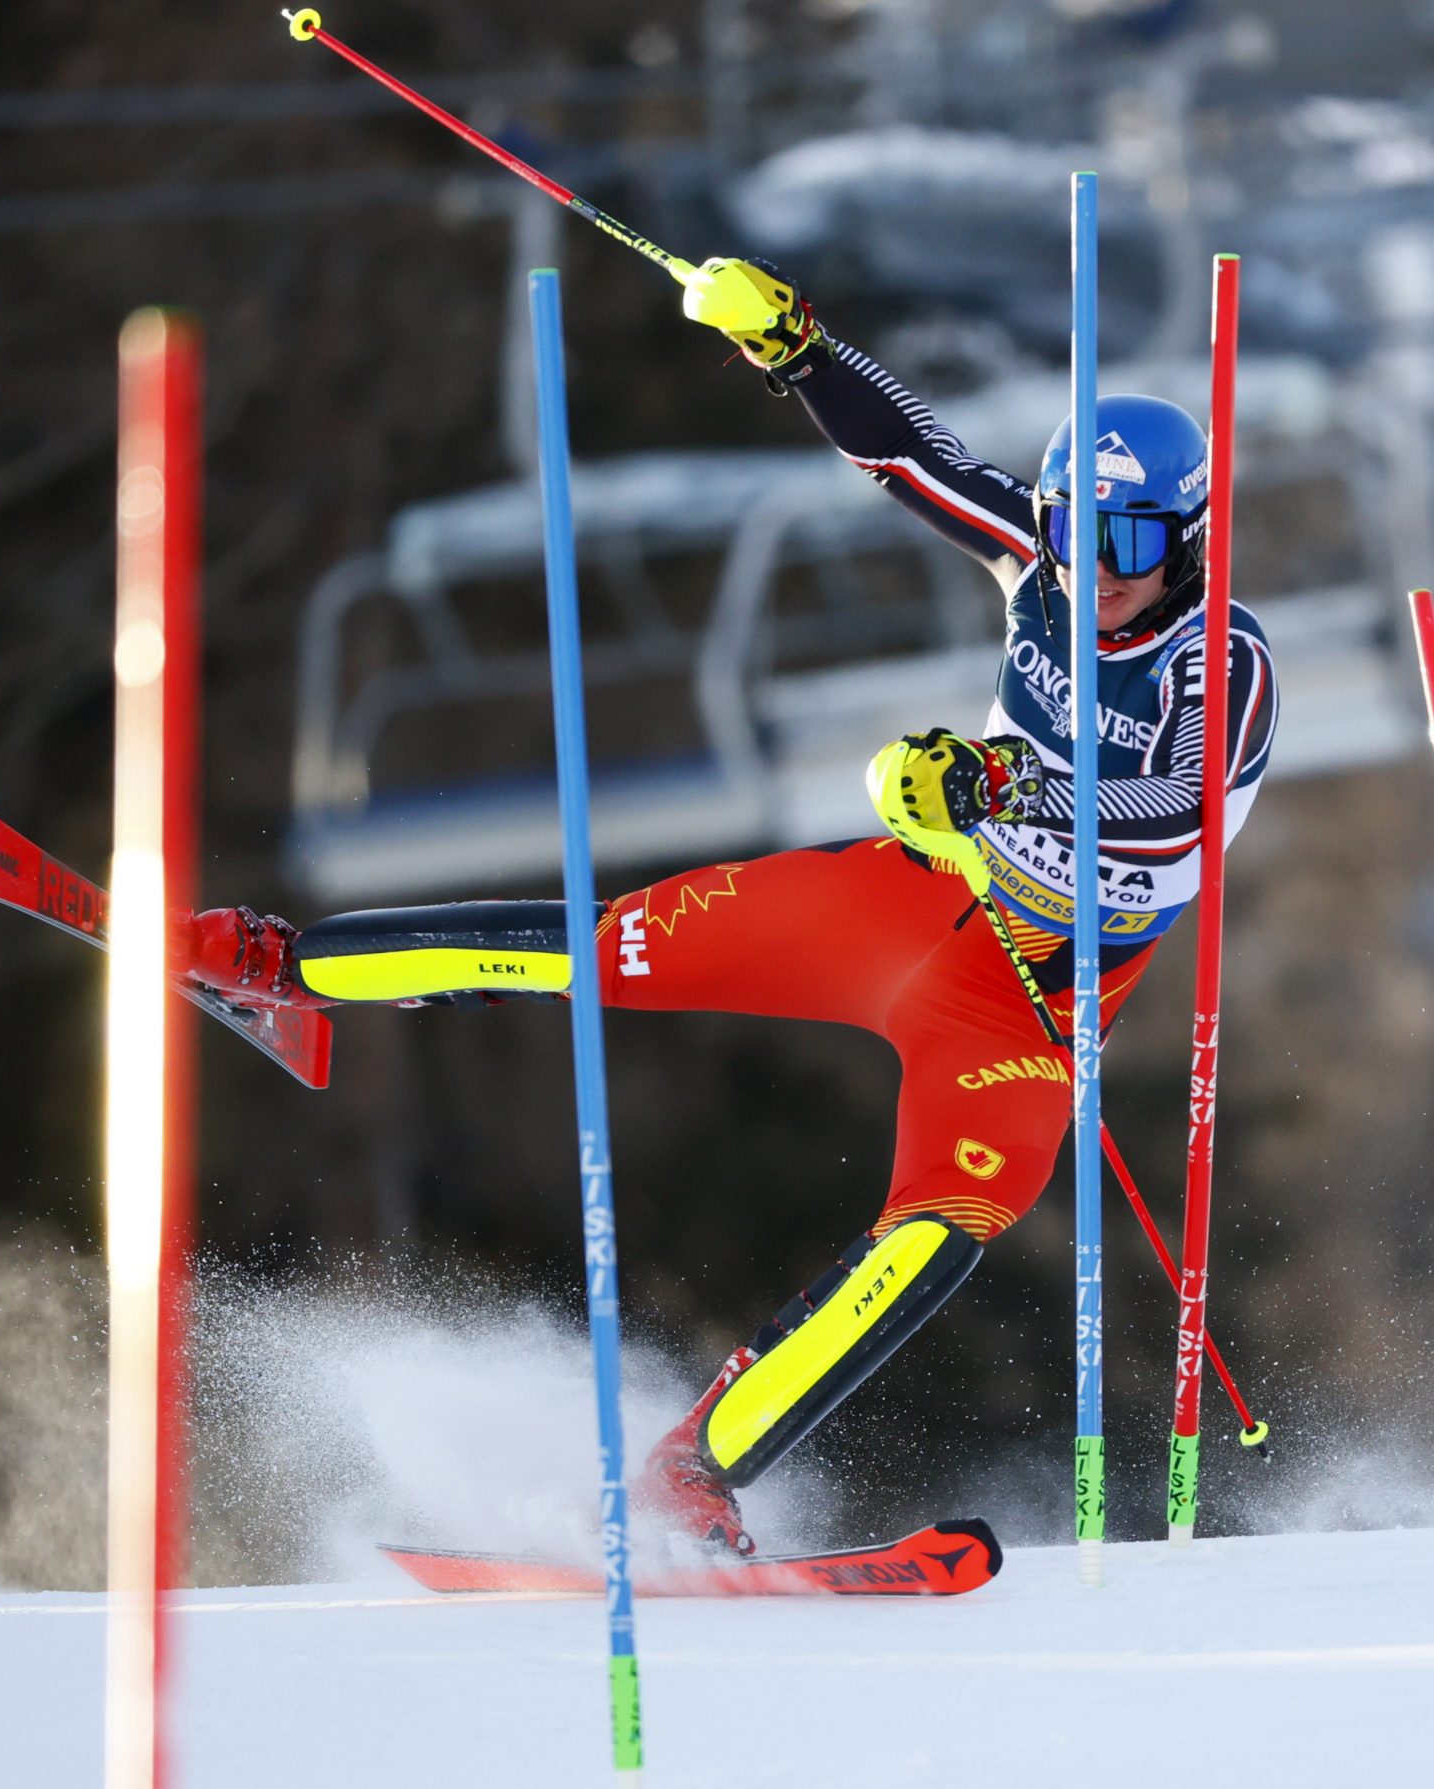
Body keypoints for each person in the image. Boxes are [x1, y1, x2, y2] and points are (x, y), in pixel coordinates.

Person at [181, 260, 1279, 1554]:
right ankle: (288, 970)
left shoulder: (1223, 663)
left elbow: (1177, 809)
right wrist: (795, 344)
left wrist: (1001, 777)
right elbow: (908, 455)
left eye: (1133, 547)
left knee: (941, 1233)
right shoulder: (1036, 561)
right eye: (1074, 533)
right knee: (601, 951)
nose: (1095, 575)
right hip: (912, 905)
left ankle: (691, 1471)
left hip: (1033, 1005)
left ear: (1189, 541)